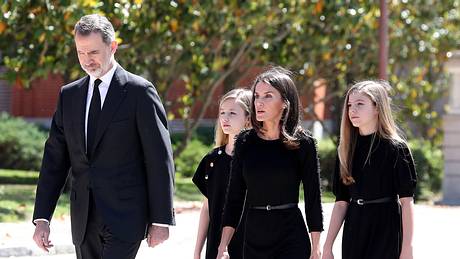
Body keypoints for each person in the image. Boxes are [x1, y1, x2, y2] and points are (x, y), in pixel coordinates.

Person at [31, 14, 175, 259]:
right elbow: (54, 159)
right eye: (81, 53)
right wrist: (42, 217)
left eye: (94, 52)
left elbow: (159, 157)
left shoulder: (139, 92)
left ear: (113, 46)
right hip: (83, 217)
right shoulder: (69, 95)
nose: (87, 61)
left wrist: (161, 219)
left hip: (126, 216)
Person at [217, 67, 323, 259]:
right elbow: (234, 197)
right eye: (257, 96)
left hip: (291, 236)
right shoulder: (244, 141)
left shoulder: (303, 144)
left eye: (268, 96)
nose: (259, 102)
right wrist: (223, 245)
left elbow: (313, 198)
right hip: (255, 235)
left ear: (284, 102)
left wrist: (316, 247)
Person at [322, 80, 417, 259]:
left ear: (377, 108)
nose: (352, 110)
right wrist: (328, 246)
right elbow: (341, 202)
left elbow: (406, 202)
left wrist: (407, 248)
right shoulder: (345, 150)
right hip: (355, 228)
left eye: (360, 104)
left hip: (386, 227)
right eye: (350, 104)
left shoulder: (396, 149)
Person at [193, 89, 252, 259]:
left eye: (232, 113)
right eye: (222, 112)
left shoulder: (257, 160)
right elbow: (206, 208)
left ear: (248, 118)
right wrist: (197, 251)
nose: (225, 118)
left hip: (250, 246)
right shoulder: (212, 160)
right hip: (216, 248)